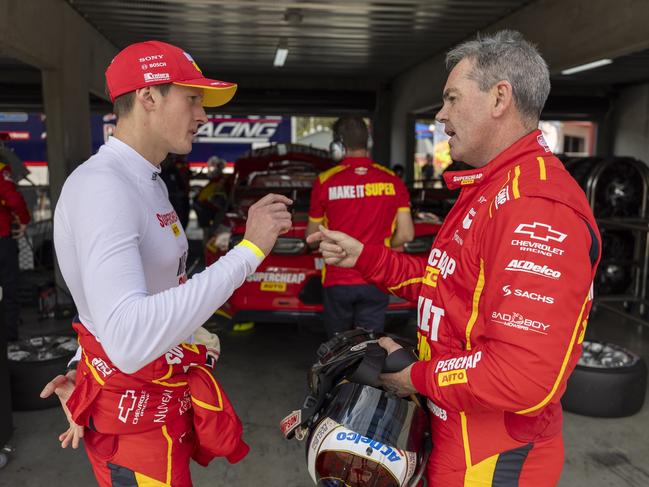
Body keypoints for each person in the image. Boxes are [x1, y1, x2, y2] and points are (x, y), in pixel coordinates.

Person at [308, 30, 601, 486]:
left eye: (451, 98)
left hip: (493, 459)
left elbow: (522, 374)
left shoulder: (538, 204)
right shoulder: (489, 188)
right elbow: (441, 284)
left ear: (500, 97)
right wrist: (364, 255)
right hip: (451, 439)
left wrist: (417, 376)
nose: (441, 114)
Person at [40, 40, 292, 486]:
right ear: (148, 97)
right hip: (136, 428)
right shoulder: (105, 188)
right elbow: (130, 336)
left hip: (156, 405)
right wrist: (248, 252)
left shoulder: (146, 180)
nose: (203, 115)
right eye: (192, 99)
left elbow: (111, 303)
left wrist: (85, 362)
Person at [305, 116, 414, 337]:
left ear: (338, 145)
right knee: (369, 348)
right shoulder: (392, 180)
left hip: (338, 277)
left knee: (337, 349)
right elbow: (406, 234)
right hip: (377, 275)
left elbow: (311, 236)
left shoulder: (326, 181)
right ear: (369, 142)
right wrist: (384, 245)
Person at [0, 155, 30, 342]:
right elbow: (13, 199)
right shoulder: (1, 168)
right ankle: (10, 344)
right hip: (2, 239)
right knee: (9, 292)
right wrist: (24, 219)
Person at [160, 153, 192, 229]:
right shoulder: (160, 172)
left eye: (170, 158)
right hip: (166, 201)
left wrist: (182, 193)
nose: (170, 160)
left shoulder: (174, 169)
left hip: (176, 199)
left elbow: (181, 183)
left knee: (180, 220)